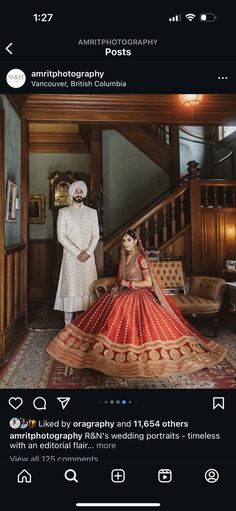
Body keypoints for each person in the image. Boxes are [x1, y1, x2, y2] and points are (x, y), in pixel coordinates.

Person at [47, 229, 228, 378]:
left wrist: (129, 285)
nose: (125, 243)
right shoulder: (124, 258)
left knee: (119, 305)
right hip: (126, 292)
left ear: (135, 241)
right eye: (123, 241)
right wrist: (118, 287)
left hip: (140, 294)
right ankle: (100, 344)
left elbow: (148, 283)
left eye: (128, 240)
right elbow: (120, 280)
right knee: (108, 300)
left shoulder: (141, 258)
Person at [54, 180, 99, 325]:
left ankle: (86, 327)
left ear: (84, 194)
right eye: (76, 191)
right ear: (72, 193)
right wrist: (77, 253)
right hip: (71, 258)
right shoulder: (64, 212)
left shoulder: (92, 213)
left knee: (87, 292)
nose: (78, 193)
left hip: (88, 258)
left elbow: (96, 235)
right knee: (70, 291)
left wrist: (88, 252)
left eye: (81, 191)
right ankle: (67, 327)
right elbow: (61, 236)